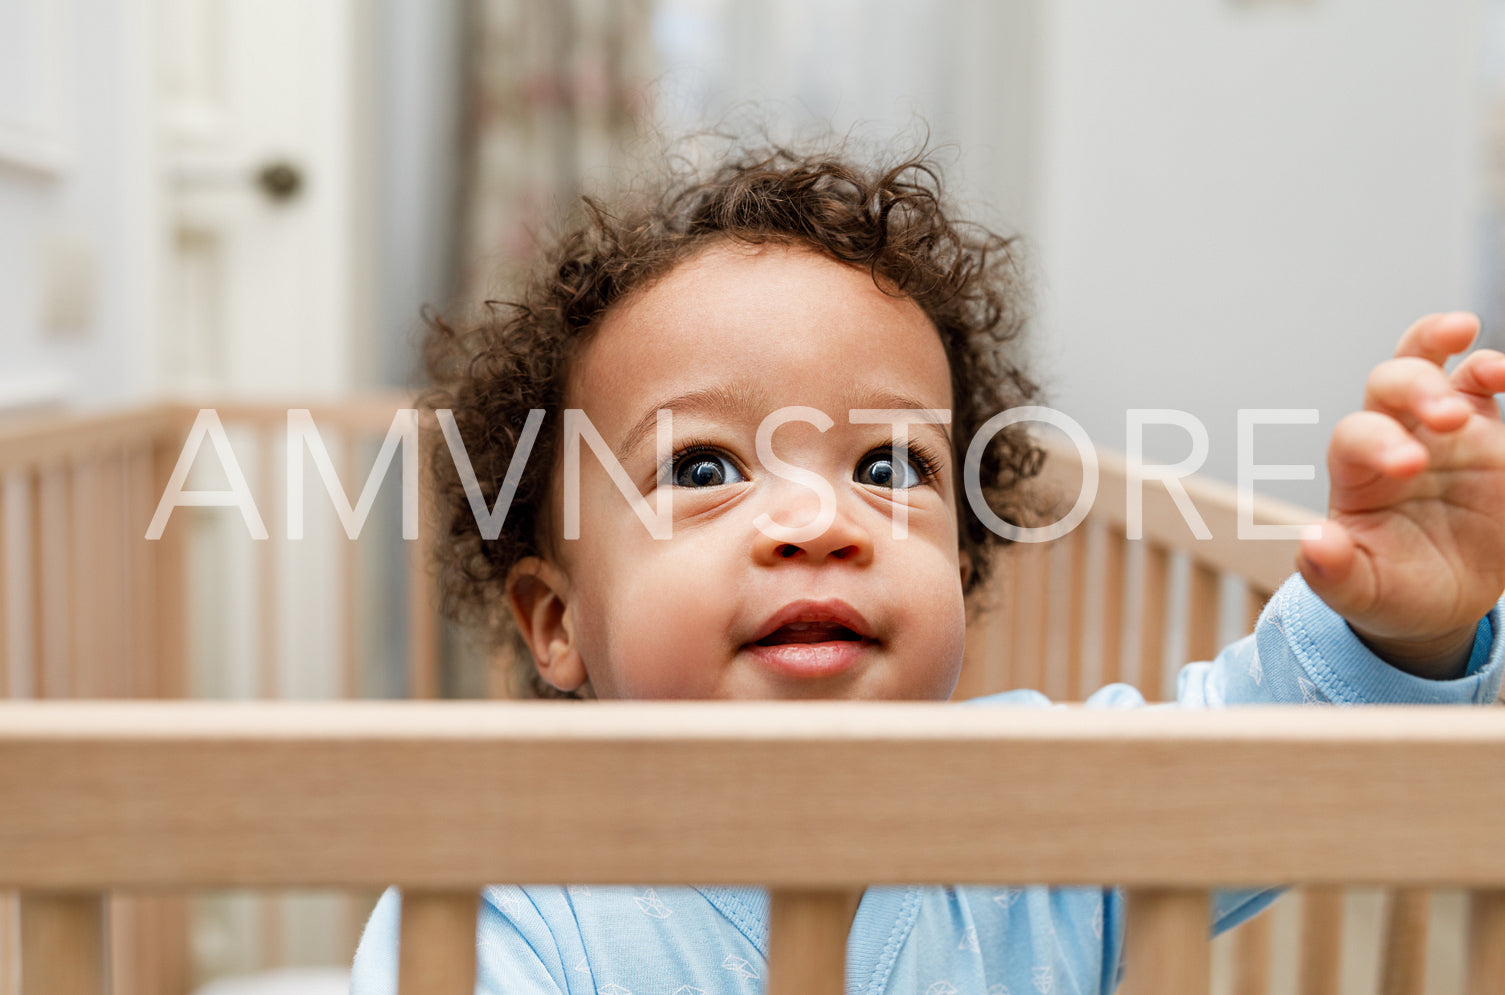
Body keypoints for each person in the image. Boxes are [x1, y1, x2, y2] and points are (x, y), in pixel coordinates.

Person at [350, 141, 1505, 994]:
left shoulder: (1034, 816)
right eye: (702, 467)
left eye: (890, 463)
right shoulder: (501, 896)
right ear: (555, 618)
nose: (816, 519)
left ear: (956, 556)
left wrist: (1398, 624)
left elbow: (1276, 752)